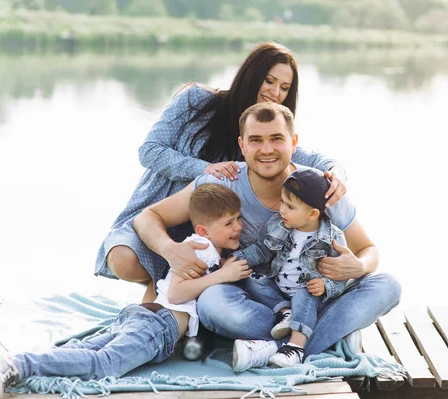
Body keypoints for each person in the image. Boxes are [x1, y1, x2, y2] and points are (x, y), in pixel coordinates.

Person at [133, 102, 402, 373]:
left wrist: (360, 265)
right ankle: (317, 338)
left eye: (276, 139)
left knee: (388, 286)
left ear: (293, 142)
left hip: (317, 293)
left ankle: (280, 346)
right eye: (256, 140)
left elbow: (368, 249)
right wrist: (169, 249)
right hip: (262, 303)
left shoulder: (319, 186)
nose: (266, 149)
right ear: (242, 145)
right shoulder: (223, 181)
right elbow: (147, 218)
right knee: (211, 303)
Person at [95, 42, 348, 303]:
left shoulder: (262, 140)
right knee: (121, 259)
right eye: (269, 80)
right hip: (163, 209)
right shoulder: (196, 100)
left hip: (209, 231)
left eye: (284, 88)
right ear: (251, 75)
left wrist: (336, 171)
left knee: (176, 292)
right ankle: (164, 291)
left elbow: (307, 156)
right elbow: (149, 150)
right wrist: (203, 169)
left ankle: (166, 306)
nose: (275, 92)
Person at [0, 184, 251, 399]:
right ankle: (15, 366)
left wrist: (220, 268)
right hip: (158, 325)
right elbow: (177, 294)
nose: (238, 226)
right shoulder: (198, 249)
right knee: (105, 364)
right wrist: (222, 276)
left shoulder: (209, 251)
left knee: (81, 350)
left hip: (146, 319)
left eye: (238, 219)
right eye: (229, 223)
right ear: (203, 230)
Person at [230, 168, 350, 368]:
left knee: (304, 295)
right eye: (282, 203)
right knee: (255, 280)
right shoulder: (278, 224)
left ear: (312, 214)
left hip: (308, 294)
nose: (282, 210)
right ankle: (286, 312)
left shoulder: (332, 238)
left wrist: (326, 285)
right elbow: (262, 250)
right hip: (279, 288)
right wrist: (237, 259)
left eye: (290, 207)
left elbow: (341, 278)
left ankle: (295, 347)